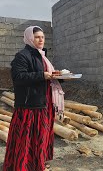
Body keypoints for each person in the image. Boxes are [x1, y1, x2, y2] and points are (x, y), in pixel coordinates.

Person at [3, 26, 65, 171]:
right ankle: (22, 166)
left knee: (40, 136)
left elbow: (47, 77)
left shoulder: (42, 56)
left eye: (42, 37)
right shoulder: (22, 56)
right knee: (26, 138)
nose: (41, 39)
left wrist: (59, 77)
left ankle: (37, 164)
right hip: (29, 106)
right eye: (37, 37)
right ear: (30, 38)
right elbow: (18, 77)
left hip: (44, 102)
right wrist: (41, 75)